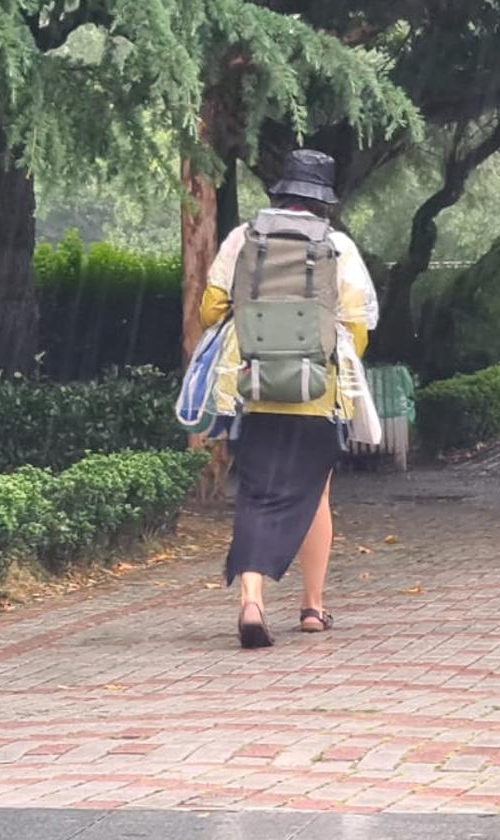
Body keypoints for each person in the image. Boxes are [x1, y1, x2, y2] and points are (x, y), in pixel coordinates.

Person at [199, 149, 379, 649]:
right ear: (323, 202)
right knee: (315, 493)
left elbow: (210, 308)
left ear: (280, 193)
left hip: (252, 387)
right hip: (317, 395)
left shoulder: (243, 238)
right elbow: (359, 327)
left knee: (256, 492)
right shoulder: (338, 246)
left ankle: (251, 602)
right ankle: (313, 609)